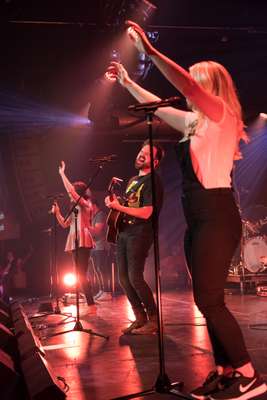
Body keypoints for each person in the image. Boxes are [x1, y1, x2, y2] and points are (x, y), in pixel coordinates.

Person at [105, 21, 267, 400]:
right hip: (198, 218)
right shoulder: (196, 123)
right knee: (206, 300)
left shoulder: (222, 113)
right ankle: (225, 370)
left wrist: (150, 51)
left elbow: (187, 87)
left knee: (210, 299)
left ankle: (249, 374)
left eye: (194, 81)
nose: (186, 87)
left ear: (209, 85)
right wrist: (128, 82)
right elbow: (160, 110)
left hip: (216, 215)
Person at [105, 140, 164, 335]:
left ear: (155, 162)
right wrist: (114, 203)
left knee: (135, 278)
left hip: (140, 233)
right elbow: (127, 206)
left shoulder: (153, 181)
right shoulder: (132, 181)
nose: (141, 154)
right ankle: (140, 318)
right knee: (123, 279)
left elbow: (147, 212)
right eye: (141, 151)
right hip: (123, 233)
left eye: (147, 154)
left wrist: (119, 207)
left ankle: (154, 320)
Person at [52, 161, 96, 311]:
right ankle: (91, 304)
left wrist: (62, 174)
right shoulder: (74, 209)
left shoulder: (86, 204)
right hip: (74, 240)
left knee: (81, 274)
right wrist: (57, 212)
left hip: (83, 239)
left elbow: (71, 191)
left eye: (73, 192)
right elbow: (65, 224)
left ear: (78, 193)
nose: (70, 195)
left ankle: (91, 305)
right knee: (79, 275)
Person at [89, 197, 111, 300]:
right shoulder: (94, 216)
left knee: (102, 269)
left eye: (88, 204)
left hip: (101, 246)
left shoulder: (101, 215)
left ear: (94, 205)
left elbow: (97, 231)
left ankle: (107, 292)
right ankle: (102, 290)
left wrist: (85, 226)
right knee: (97, 270)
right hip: (95, 247)